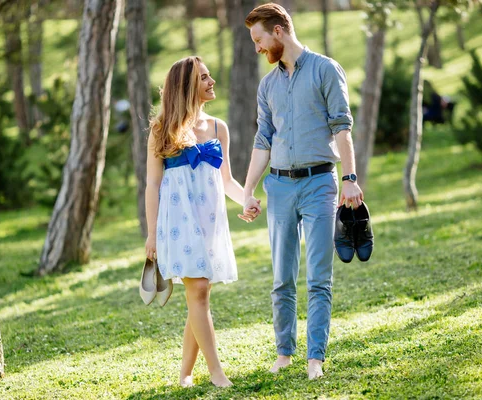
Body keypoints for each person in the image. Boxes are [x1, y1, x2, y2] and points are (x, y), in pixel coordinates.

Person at [241, 3, 364, 380]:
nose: (258, 48)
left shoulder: (326, 70)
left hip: (319, 184)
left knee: (318, 276)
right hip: (278, 186)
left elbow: (342, 127)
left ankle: (315, 358)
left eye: (260, 39)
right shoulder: (268, 85)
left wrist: (350, 178)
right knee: (281, 277)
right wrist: (248, 191)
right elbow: (263, 139)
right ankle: (283, 353)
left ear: (278, 31)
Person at [145, 56, 255, 388]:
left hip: (209, 218)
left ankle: (185, 374)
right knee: (200, 290)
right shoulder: (160, 128)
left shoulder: (219, 127)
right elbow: (152, 184)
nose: (212, 82)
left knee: (198, 294)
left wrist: (246, 199)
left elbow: (226, 180)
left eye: (210, 75)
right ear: (187, 86)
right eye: (204, 78)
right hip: (178, 218)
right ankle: (216, 372)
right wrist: (152, 234)